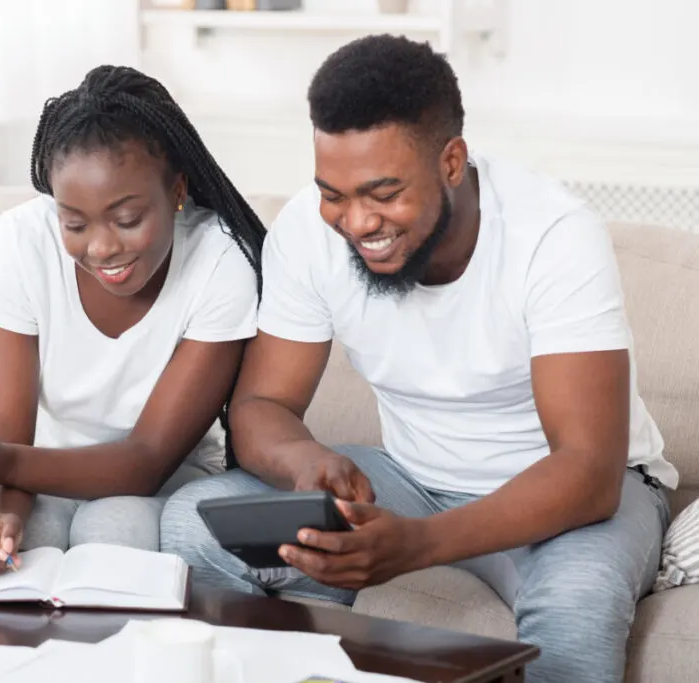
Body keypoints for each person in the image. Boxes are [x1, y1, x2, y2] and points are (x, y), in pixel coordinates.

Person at [160, 35, 676, 683]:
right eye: (334, 193)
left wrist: (417, 545)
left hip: (569, 498)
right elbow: (264, 405)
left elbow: (588, 470)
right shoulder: (307, 231)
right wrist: (306, 462)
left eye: (383, 192)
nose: (355, 221)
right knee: (193, 523)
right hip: (413, 476)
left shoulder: (553, 237)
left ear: (452, 161)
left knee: (575, 605)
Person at [0, 65, 265, 577]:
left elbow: (147, 460)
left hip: (166, 476)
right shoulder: (21, 243)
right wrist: (0, 518)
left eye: (128, 220)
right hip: (42, 472)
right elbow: (7, 439)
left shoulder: (221, 260)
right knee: (18, 551)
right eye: (75, 224)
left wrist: (3, 461)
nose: (103, 247)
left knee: (112, 530)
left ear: (177, 190)